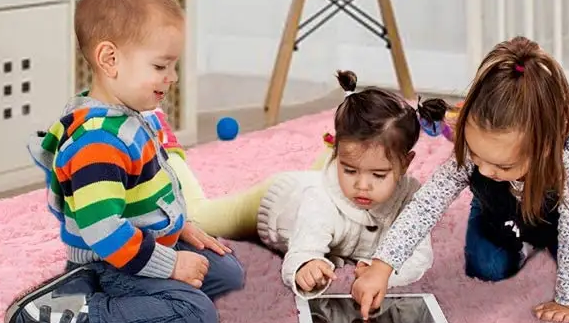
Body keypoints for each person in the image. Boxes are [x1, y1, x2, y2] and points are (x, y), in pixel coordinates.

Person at [352, 37, 569, 323]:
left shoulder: (567, 151)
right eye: (477, 156)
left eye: (502, 165)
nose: (485, 170)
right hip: (500, 209)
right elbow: (427, 204)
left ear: (543, 148)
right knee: (486, 266)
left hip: (555, 213)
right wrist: (383, 264)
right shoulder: (477, 139)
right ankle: (526, 236)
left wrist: (568, 300)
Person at [4, 0, 244, 323]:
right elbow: (103, 231)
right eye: (160, 67)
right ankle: (79, 308)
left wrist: (178, 227)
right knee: (197, 314)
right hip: (111, 260)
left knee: (228, 273)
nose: (172, 78)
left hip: (146, 240)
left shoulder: (131, 116)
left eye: (173, 66)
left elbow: (148, 191)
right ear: (110, 60)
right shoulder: (97, 142)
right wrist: (172, 264)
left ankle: (146, 290)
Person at [175, 71, 440, 295]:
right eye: (350, 170)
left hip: (316, 185)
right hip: (275, 202)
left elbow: (418, 256)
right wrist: (306, 265)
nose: (362, 185)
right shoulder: (319, 200)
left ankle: (330, 162)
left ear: (405, 164)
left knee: (329, 178)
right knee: (200, 216)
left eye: (378, 175)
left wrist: (383, 274)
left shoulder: (411, 200)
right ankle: (171, 153)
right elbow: (301, 251)